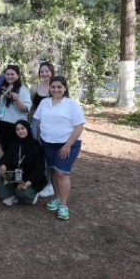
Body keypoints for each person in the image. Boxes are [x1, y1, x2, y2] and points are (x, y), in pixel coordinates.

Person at [33, 76, 86, 221]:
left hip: (67, 145)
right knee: (54, 172)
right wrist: (38, 140)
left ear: (65, 88)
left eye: (59, 87)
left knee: (62, 173)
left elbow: (79, 126)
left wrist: (68, 145)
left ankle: (64, 204)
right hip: (48, 143)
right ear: (49, 88)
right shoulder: (44, 102)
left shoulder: (71, 104)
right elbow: (37, 122)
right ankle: (57, 197)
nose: (56, 90)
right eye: (53, 87)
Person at [0, 120, 46, 206]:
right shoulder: (14, 143)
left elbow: (39, 168)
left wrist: (28, 182)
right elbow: (6, 157)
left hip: (31, 179)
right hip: (17, 176)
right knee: (2, 173)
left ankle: (29, 195)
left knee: (23, 193)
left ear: (27, 129)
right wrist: (4, 165)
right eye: (17, 129)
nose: (20, 131)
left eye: (22, 128)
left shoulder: (35, 145)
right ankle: (11, 194)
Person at [28, 61, 55, 197]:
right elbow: (32, 108)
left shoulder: (56, 87)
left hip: (52, 125)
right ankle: (39, 180)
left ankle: (50, 184)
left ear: (52, 71)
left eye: (47, 71)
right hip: (36, 124)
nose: (44, 74)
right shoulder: (34, 88)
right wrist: (29, 122)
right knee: (38, 152)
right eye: (42, 71)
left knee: (48, 153)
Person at [0, 65, 32, 157]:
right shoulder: (4, 88)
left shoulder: (23, 90)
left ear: (18, 76)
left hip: (15, 125)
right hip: (2, 123)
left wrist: (17, 99)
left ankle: (17, 170)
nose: (9, 76)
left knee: (16, 150)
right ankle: (8, 169)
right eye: (7, 74)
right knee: (5, 148)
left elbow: (25, 109)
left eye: (12, 74)